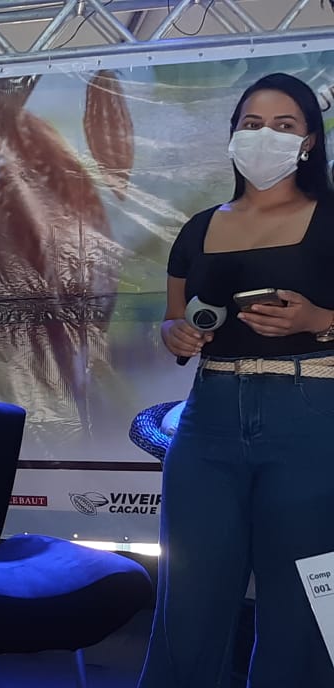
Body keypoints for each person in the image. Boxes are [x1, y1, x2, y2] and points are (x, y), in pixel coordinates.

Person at [143, 72, 334, 687]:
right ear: (232, 136)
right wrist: (175, 334)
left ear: (309, 141)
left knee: (302, 603)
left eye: (284, 125)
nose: (264, 135)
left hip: (311, 413)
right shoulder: (199, 227)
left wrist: (319, 319)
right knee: (188, 599)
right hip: (209, 415)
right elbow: (173, 317)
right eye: (252, 124)